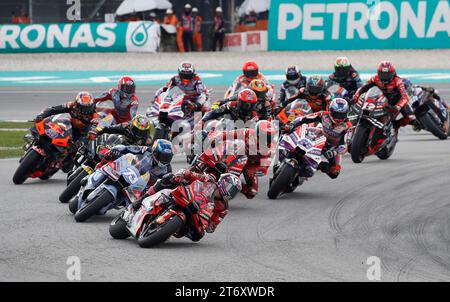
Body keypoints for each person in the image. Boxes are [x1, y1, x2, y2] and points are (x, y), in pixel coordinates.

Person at [135, 169, 241, 241]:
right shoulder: (209, 179)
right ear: (223, 182)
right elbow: (191, 174)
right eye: (229, 187)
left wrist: (207, 223)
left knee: (197, 236)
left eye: (233, 191)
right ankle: (141, 200)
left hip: (196, 214)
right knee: (168, 178)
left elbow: (212, 226)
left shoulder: (223, 208)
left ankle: (169, 229)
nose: (230, 192)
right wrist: (181, 175)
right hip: (186, 196)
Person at [204, 120, 277, 199]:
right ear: (258, 132)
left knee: (252, 192)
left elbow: (265, 167)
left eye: (269, 137)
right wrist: (217, 138)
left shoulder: (271, 148)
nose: (266, 139)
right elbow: (230, 134)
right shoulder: (248, 132)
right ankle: (222, 163)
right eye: (264, 135)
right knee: (239, 143)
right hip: (234, 154)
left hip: (249, 166)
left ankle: (232, 186)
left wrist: (253, 170)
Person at [285, 98, 351, 179]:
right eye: (336, 114)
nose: (338, 118)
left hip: (331, 147)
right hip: (318, 136)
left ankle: (318, 166)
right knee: (292, 133)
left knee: (334, 173)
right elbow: (305, 118)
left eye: (342, 115)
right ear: (330, 111)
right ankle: (286, 152)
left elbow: (345, 145)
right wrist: (292, 124)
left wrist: (334, 152)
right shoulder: (323, 114)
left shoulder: (348, 126)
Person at [35, 91, 98, 172]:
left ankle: (65, 162)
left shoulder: (94, 116)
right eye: (83, 107)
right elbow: (53, 109)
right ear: (77, 103)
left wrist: (91, 134)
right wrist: (42, 115)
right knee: (59, 123)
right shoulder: (71, 105)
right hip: (70, 127)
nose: (85, 110)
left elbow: (95, 127)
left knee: (79, 147)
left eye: (88, 107)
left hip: (83, 133)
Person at [353, 61, 418, 130]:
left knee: (411, 118)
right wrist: (355, 97)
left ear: (392, 74)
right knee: (365, 107)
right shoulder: (375, 78)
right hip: (382, 100)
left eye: (387, 75)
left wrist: (397, 107)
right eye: (382, 74)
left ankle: (396, 124)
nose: (385, 77)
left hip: (397, 102)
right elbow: (363, 88)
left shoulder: (397, 81)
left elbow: (405, 97)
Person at [104, 139, 174, 185]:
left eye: (168, 157)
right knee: (116, 157)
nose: (164, 160)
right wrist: (118, 149)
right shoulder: (146, 150)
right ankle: (99, 172)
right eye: (162, 156)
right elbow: (128, 148)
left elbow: (164, 184)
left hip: (139, 187)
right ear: (154, 152)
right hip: (128, 172)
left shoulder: (167, 169)